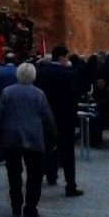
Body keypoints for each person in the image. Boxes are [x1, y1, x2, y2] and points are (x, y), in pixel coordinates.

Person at [0, 62, 56, 217]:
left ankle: (16, 203)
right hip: (34, 136)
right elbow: (48, 118)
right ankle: (31, 207)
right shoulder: (39, 94)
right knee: (35, 174)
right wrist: (52, 138)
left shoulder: (7, 92)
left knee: (13, 172)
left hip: (11, 136)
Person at [35, 44, 84, 197]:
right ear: (61, 57)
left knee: (45, 149)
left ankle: (44, 178)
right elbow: (73, 98)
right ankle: (70, 185)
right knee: (68, 152)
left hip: (45, 118)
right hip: (65, 119)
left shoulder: (41, 73)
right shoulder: (69, 74)